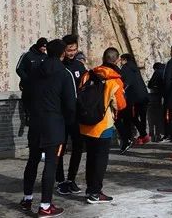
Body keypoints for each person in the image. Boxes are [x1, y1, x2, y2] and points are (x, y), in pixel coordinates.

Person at [21, 39, 76, 217]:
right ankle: (45, 206)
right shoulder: (64, 74)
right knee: (51, 164)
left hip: (36, 122)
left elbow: (26, 95)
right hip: (54, 124)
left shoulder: (35, 71)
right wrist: (68, 122)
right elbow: (70, 104)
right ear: (61, 53)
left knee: (32, 161)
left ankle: (27, 199)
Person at [79, 47, 126, 204]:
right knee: (100, 160)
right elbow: (120, 105)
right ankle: (95, 192)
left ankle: (89, 190)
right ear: (117, 60)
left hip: (85, 124)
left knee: (91, 158)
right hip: (103, 125)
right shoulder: (114, 79)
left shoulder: (89, 74)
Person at [55, 35, 87, 196]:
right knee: (60, 148)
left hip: (76, 115)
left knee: (78, 147)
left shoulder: (79, 67)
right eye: (69, 50)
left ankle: (71, 179)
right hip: (60, 116)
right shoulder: (57, 67)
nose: (72, 53)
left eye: (74, 49)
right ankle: (60, 180)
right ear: (63, 50)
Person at [118, 53, 150, 152]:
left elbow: (126, 82)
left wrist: (122, 91)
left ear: (125, 60)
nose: (120, 62)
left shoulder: (125, 68)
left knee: (132, 117)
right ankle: (143, 136)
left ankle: (142, 135)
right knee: (142, 116)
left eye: (121, 60)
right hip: (144, 95)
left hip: (134, 97)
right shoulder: (135, 68)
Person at [17, 38, 49, 123]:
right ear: (39, 46)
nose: (44, 49)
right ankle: (28, 115)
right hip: (29, 86)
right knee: (28, 102)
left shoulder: (46, 57)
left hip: (41, 87)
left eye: (45, 47)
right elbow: (19, 69)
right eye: (43, 47)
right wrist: (27, 79)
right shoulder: (27, 55)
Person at [147, 62, 166, 142]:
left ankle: (155, 135)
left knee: (155, 117)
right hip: (166, 97)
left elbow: (150, 85)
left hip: (157, 96)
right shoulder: (166, 70)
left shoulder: (157, 72)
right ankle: (162, 134)